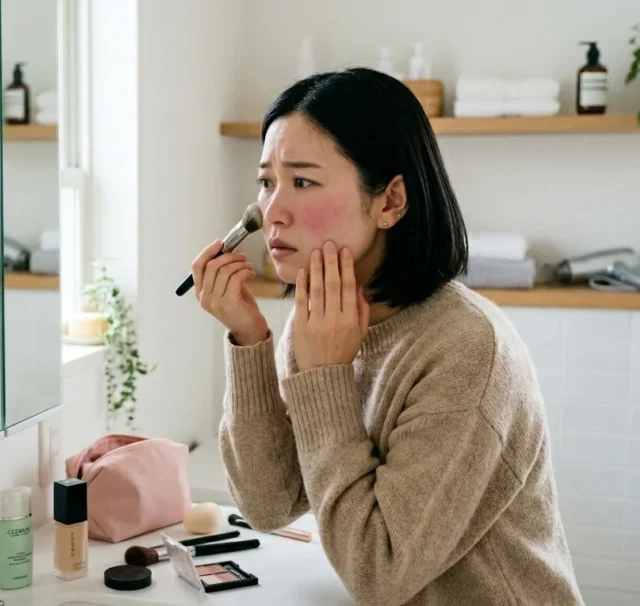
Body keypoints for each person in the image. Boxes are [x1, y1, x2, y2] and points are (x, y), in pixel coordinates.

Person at [192, 68, 582, 605]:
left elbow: (379, 571)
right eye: (266, 182)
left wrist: (325, 376)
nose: (271, 212)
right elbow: (268, 503)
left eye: (302, 182)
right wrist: (248, 339)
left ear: (391, 201)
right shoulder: (318, 320)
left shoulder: (468, 351)